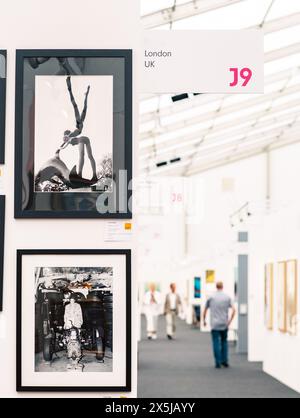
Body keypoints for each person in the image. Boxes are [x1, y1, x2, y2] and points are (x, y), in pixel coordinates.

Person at [61, 76, 97, 182]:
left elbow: (76, 103)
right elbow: (65, 144)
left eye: (66, 137)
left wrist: (71, 88)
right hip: (83, 138)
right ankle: (86, 175)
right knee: (86, 156)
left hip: (82, 136)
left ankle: (89, 175)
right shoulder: (72, 135)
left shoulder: (72, 132)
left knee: (86, 156)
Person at [203, 282, 236, 369]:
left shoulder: (211, 297)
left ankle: (218, 362)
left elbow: (205, 309)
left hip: (214, 324)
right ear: (222, 287)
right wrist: (230, 321)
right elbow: (234, 310)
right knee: (224, 342)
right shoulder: (227, 297)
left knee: (216, 342)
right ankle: (224, 361)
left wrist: (204, 320)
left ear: (216, 287)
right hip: (224, 323)